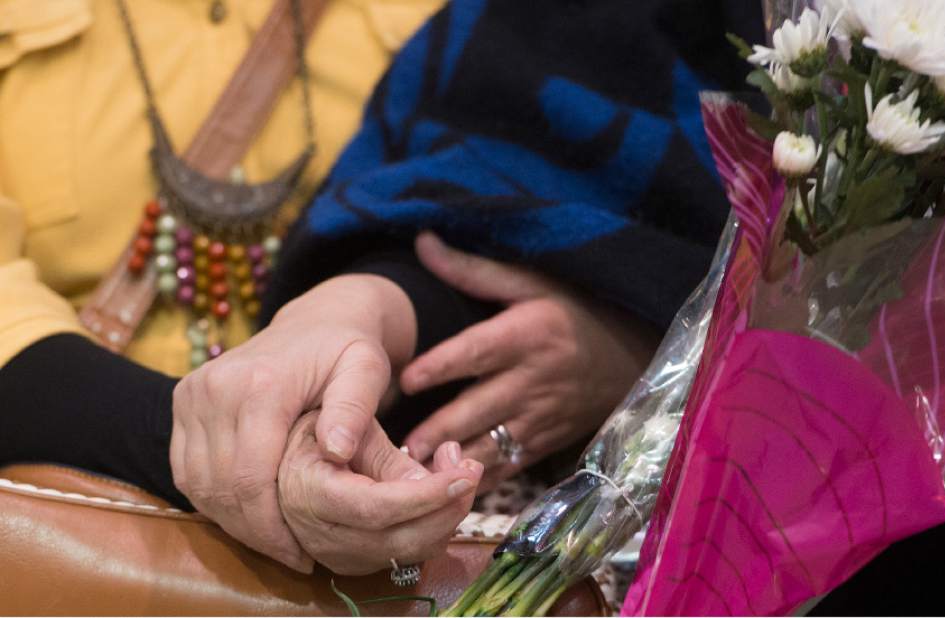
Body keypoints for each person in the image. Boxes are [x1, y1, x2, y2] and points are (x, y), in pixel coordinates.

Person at [0, 0, 761, 575]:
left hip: (393, 534)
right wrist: (226, 449)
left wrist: (632, 348)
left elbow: (599, 203)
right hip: (63, 525)